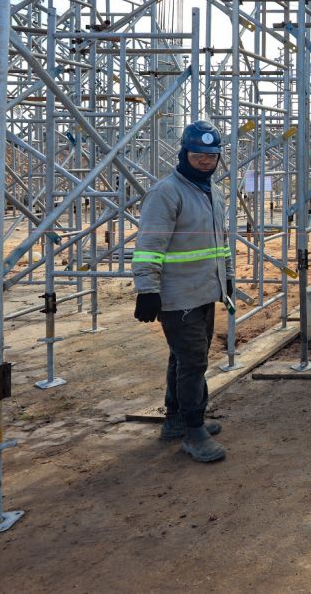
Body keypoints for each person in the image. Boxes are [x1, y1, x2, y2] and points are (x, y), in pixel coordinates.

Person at [132, 120, 234, 462]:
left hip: (204, 290)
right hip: (177, 296)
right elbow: (149, 245)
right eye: (198, 155)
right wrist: (147, 289)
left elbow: (219, 243)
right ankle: (193, 430)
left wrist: (226, 277)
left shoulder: (213, 192)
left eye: (211, 156)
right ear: (183, 153)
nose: (205, 161)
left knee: (182, 357)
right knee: (193, 362)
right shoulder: (167, 193)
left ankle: (175, 420)